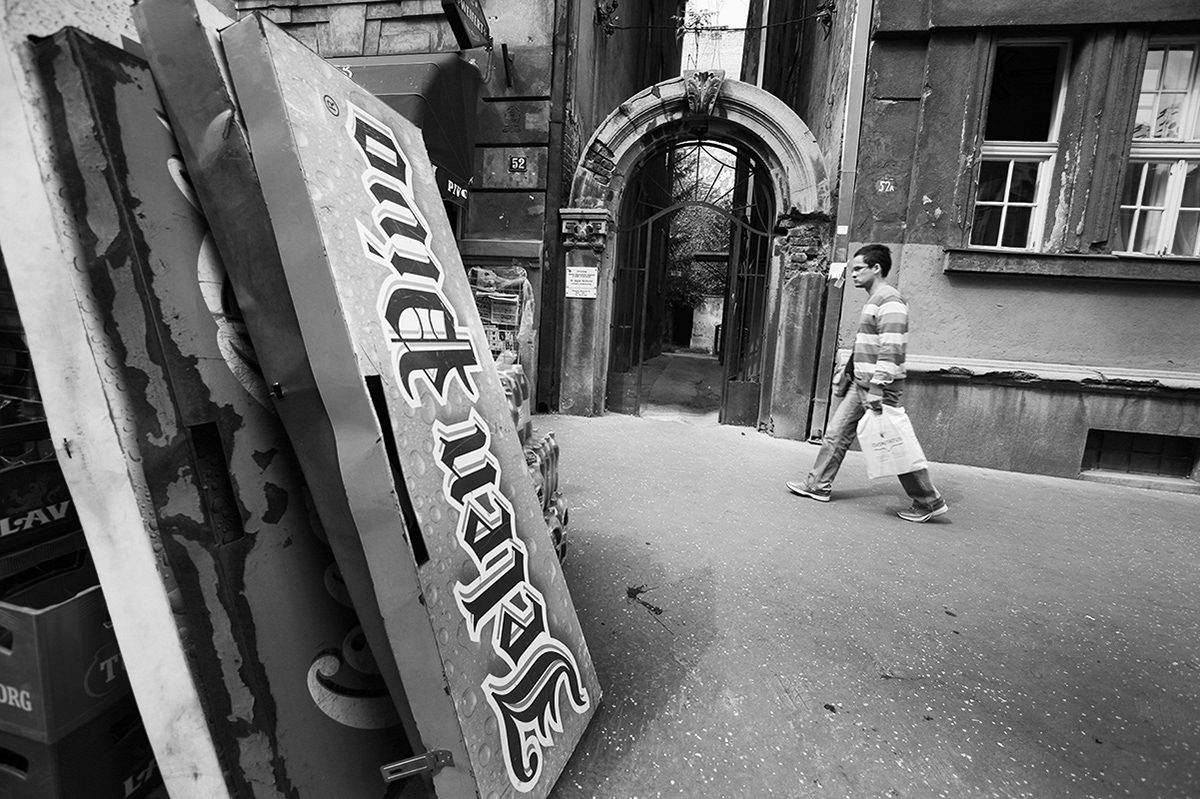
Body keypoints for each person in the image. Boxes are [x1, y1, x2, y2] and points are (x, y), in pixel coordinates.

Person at [786, 244, 949, 523]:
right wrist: (849, 373)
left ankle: (928, 501)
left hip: (878, 389)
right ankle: (818, 484)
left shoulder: (890, 301)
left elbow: (891, 348)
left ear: (876, 268)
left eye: (859, 268)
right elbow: (867, 344)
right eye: (852, 269)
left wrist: (877, 388)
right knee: (835, 434)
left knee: (894, 445)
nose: (853, 274)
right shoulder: (875, 299)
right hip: (862, 385)